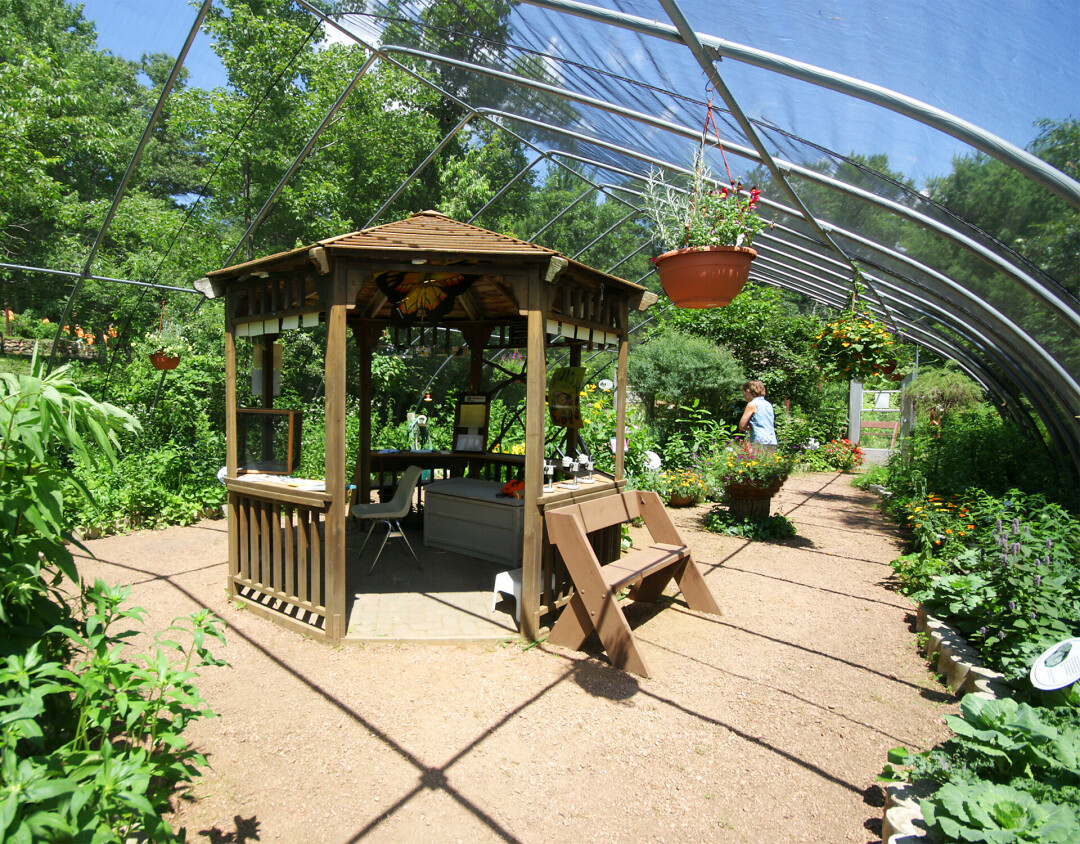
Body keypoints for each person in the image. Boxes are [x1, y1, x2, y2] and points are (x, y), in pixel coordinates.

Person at [738, 380, 777, 448]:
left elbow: (742, 426)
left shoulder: (752, 404)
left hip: (759, 440)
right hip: (772, 440)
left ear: (748, 391)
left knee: (758, 458)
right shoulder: (768, 404)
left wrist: (750, 427)